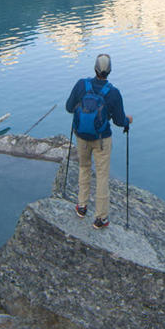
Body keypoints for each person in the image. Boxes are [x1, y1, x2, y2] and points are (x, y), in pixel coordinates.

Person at [65, 53, 132, 229]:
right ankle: (100, 218)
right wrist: (128, 121)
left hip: (81, 137)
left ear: (94, 68)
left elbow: (68, 107)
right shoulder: (113, 93)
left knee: (83, 168)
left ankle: (81, 206)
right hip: (102, 139)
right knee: (102, 176)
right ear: (109, 71)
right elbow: (119, 121)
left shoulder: (81, 85)